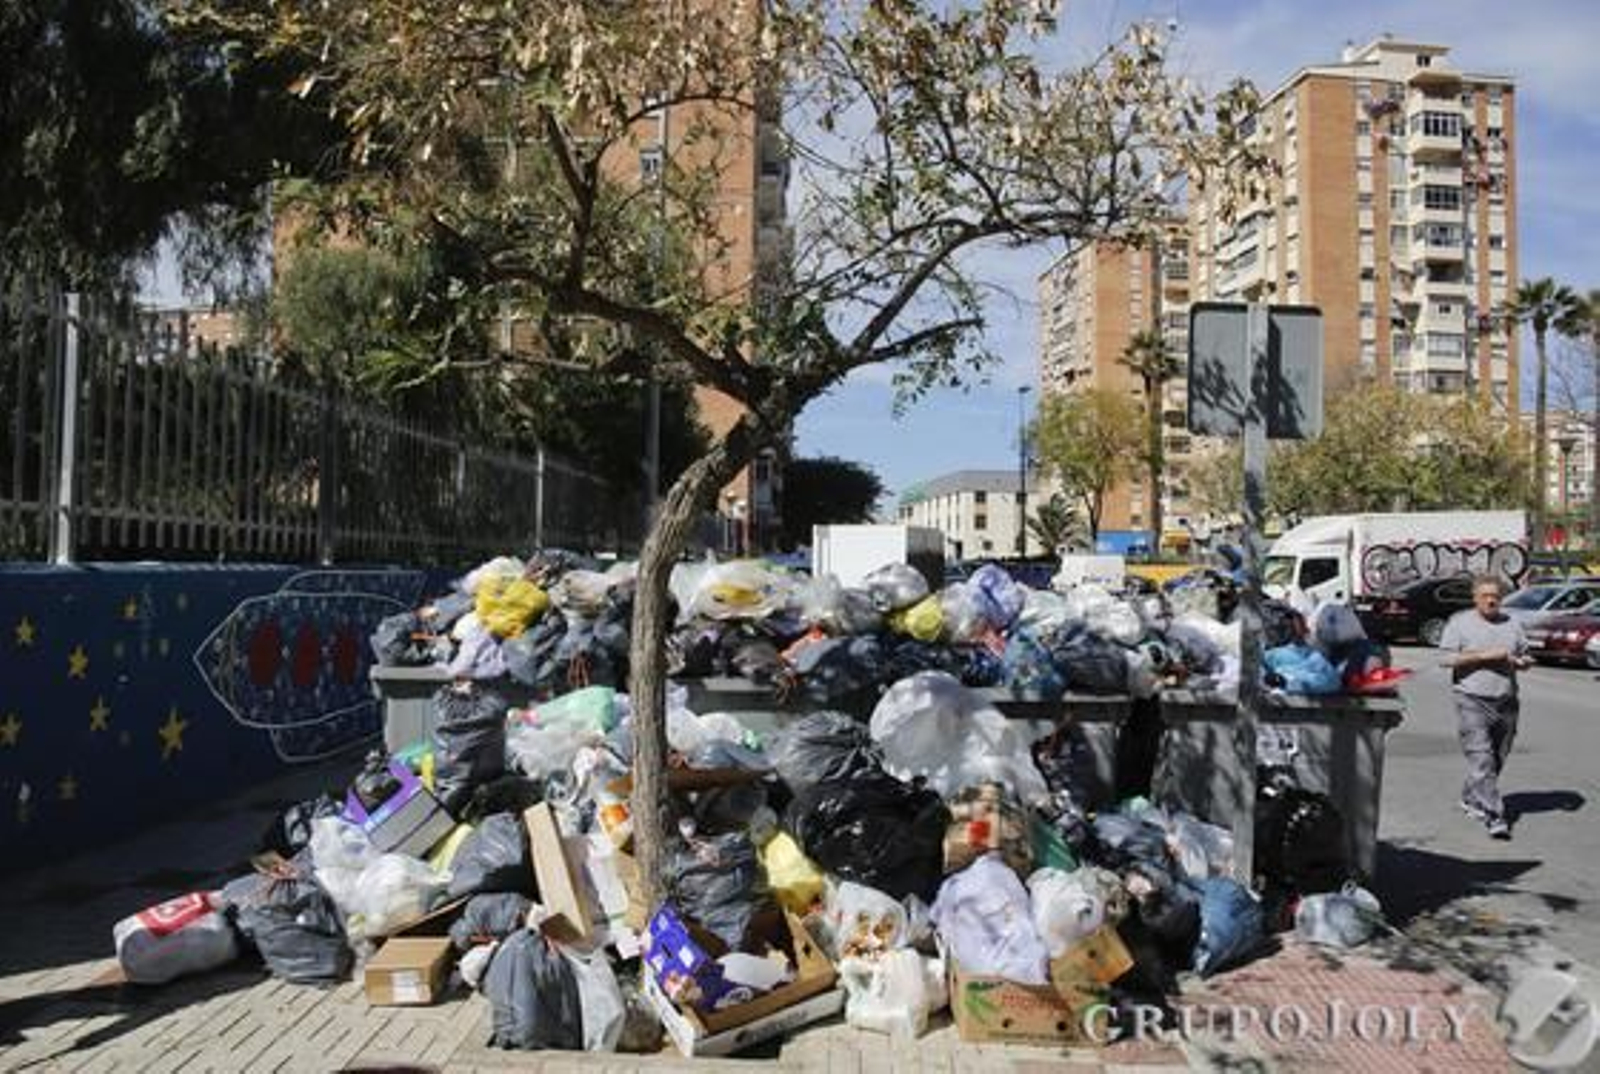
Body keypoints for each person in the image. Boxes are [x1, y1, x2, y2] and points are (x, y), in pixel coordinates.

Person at [1438, 575, 1532, 839]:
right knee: (1482, 759)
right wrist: (1484, 656)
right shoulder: (1460, 623)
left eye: (1496, 596)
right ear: (1475, 598)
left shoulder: (1512, 623)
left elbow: (1524, 652)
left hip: (1506, 700)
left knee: (1498, 758)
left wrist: (1523, 661)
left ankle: (1471, 797)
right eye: (1485, 596)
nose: (1491, 600)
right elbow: (1445, 659)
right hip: (1471, 699)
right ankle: (1495, 816)